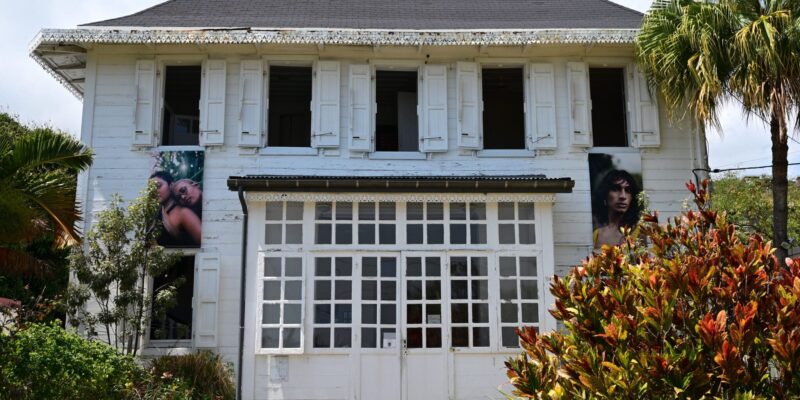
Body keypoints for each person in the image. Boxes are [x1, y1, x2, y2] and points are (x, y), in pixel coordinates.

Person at [150, 171, 202, 247]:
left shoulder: (183, 213)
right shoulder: (158, 214)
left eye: (158, 185)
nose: (154, 191)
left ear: (171, 185)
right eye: (151, 189)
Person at [592, 169, 641, 249]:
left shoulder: (640, 232)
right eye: (616, 189)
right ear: (605, 194)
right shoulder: (597, 234)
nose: (623, 196)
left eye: (628, 190)